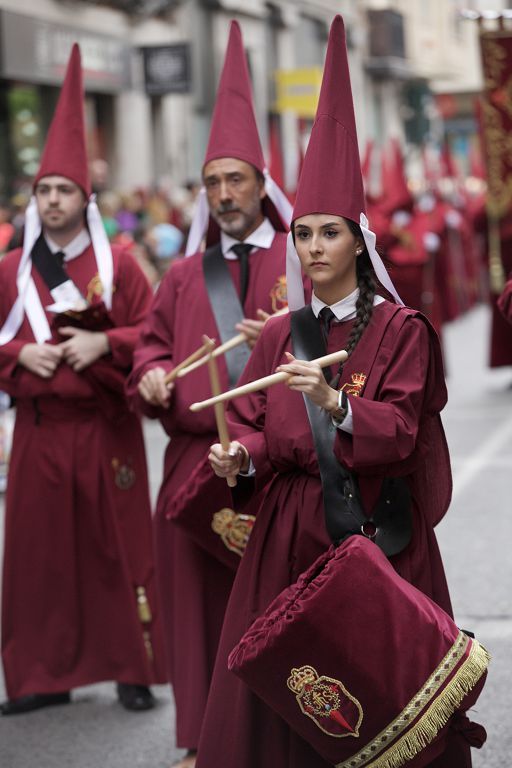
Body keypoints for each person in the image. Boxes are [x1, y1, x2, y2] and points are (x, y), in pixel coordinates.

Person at [199, 16, 486, 768]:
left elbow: (401, 431)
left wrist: (334, 403)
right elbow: (263, 431)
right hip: (287, 533)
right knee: (284, 702)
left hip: (374, 531)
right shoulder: (276, 334)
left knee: (382, 698)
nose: (314, 249)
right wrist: (241, 458)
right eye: (303, 235)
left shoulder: (401, 330)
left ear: (357, 239)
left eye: (329, 233)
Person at [126, 21, 292, 768]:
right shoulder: (184, 274)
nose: (225, 194)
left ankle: (281, 734)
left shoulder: (303, 254)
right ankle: (203, 742)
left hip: (279, 465)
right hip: (195, 462)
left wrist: (287, 334)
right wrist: (151, 376)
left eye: (237, 179)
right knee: (195, 612)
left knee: (278, 604)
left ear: (263, 184)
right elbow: (152, 345)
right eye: (213, 182)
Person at [0, 44, 165, 716]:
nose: (54, 200)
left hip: (105, 431)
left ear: (84, 198)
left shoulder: (120, 264)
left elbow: (158, 339)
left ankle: (132, 669)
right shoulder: (9, 268)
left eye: (65, 190)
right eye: (45, 190)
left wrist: (106, 341)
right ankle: (42, 676)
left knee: (115, 551)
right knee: (40, 559)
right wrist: (15, 358)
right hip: (40, 432)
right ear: (34, 197)